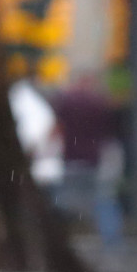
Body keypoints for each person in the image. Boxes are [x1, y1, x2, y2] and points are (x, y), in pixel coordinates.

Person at [52, 71, 124, 246]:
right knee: (104, 199)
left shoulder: (67, 102)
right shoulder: (101, 102)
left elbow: (57, 128)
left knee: (62, 200)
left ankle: (59, 238)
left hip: (72, 157)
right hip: (97, 158)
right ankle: (111, 241)